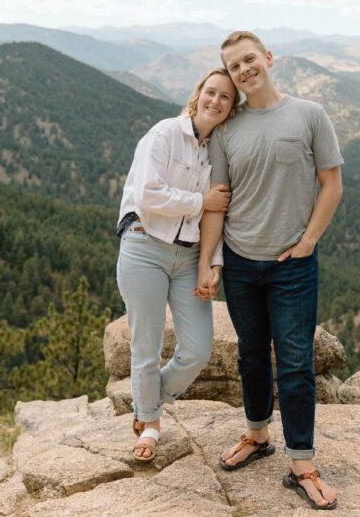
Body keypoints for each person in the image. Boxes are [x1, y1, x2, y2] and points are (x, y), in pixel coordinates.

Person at [198, 31, 343, 510]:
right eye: (234, 66)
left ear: (268, 59)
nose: (243, 70)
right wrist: (210, 262)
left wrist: (308, 241)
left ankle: (302, 464)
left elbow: (332, 184)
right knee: (252, 355)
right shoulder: (226, 130)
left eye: (249, 59)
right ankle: (257, 436)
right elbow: (218, 203)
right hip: (240, 262)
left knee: (297, 363)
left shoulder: (309, 115)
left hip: (293, 267)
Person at [115, 67, 240, 461]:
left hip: (189, 257)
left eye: (226, 97)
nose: (216, 101)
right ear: (198, 93)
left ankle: (146, 398)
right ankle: (149, 424)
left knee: (198, 350)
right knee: (146, 344)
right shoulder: (165, 133)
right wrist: (201, 201)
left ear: (231, 108)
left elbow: (216, 217)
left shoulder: (217, 150)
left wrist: (213, 264)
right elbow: (148, 194)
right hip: (144, 246)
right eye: (211, 92)